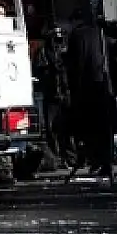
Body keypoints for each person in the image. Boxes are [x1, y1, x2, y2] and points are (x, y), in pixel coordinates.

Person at [65, 8, 117, 178]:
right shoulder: (102, 34)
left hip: (85, 89)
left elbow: (73, 67)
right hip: (104, 85)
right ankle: (106, 161)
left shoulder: (76, 36)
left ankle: (94, 159)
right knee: (104, 127)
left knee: (89, 128)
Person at [33, 24, 73, 169]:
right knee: (51, 129)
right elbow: (38, 70)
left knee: (67, 128)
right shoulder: (43, 51)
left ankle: (69, 157)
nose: (58, 39)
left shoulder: (66, 49)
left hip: (65, 93)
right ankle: (55, 158)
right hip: (51, 95)